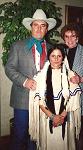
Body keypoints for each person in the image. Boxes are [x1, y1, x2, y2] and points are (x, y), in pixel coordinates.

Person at [5, 9, 56, 150]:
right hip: (22, 99)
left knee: (36, 135)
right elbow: (9, 68)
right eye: (36, 25)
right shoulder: (18, 46)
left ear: (46, 29)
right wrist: (25, 81)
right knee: (19, 134)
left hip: (43, 101)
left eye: (42, 25)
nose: (39, 28)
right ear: (31, 27)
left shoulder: (53, 49)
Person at [29, 44, 82, 150]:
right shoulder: (40, 76)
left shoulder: (70, 74)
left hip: (65, 117)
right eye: (53, 56)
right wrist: (53, 117)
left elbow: (73, 99)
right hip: (47, 116)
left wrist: (61, 117)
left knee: (64, 143)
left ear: (63, 58)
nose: (56, 59)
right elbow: (39, 101)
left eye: (59, 56)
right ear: (49, 57)